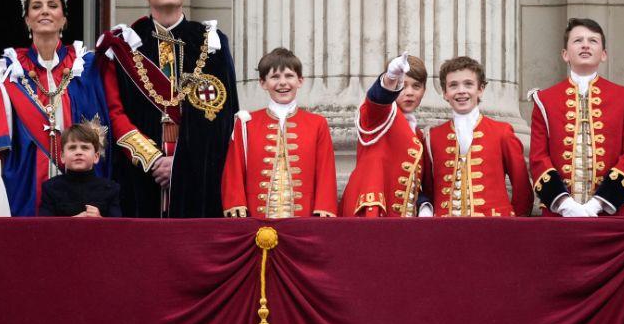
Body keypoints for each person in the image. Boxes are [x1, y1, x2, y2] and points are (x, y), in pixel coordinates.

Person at [96, 0, 239, 217]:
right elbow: (114, 112)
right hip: (140, 176)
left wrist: (180, 163)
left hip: (198, 176)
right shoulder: (124, 45)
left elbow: (224, 116)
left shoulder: (212, 42)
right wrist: (153, 160)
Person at [0, 0, 115, 216]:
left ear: (63, 19)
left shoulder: (87, 66)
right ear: (27, 20)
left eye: (53, 6)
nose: (45, 11)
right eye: (36, 6)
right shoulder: (9, 72)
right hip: (26, 180)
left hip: (81, 180)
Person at [528, 18, 624, 217]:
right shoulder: (543, 100)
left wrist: (597, 204)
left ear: (604, 54)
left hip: (612, 213)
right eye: (578, 40)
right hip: (559, 214)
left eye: (593, 40)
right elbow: (538, 158)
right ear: (565, 54)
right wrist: (565, 204)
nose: (586, 45)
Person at [222, 48, 337, 218]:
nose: (283, 83)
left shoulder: (317, 123)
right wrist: (236, 204)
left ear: (300, 81)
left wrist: (324, 207)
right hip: (256, 220)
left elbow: (326, 171)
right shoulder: (246, 123)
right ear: (263, 83)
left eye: (289, 76)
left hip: (304, 219)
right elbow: (234, 169)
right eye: (275, 77)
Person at [426, 56, 533, 216]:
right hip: (445, 231)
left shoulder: (501, 132)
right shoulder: (433, 136)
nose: (461, 90)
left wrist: (513, 229)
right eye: (453, 85)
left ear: (480, 89)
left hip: (493, 230)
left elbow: (522, 190)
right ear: (445, 93)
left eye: (468, 84)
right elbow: (429, 189)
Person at [341, 52, 434, 217]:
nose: (409, 92)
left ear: (424, 90)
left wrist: (424, 204)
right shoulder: (380, 115)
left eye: (416, 86)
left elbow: (414, 184)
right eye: (403, 85)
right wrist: (390, 78)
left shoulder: (419, 135)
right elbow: (377, 100)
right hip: (372, 214)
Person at [38, 121, 122, 217]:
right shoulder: (50, 188)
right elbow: (44, 227)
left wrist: (100, 220)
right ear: (62, 156)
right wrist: (73, 222)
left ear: (96, 156)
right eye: (72, 148)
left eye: (85, 147)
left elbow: (118, 229)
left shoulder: (110, 189)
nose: (78, 152)